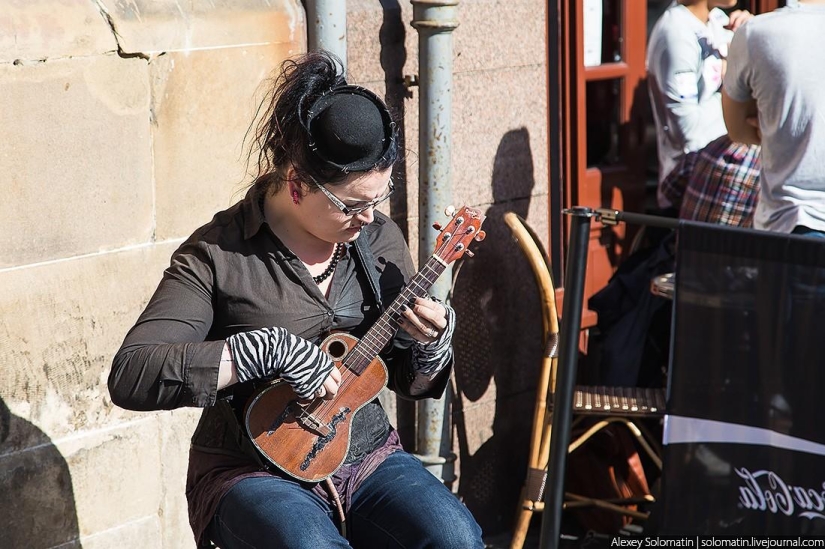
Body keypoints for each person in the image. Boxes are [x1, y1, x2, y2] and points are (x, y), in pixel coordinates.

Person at [108, 51, 484, 549]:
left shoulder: (375, 239)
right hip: (252, 470)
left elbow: (412, 382)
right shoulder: (218, 253)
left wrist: (431, 343)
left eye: (380, 197)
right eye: (353, 204)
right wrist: (255, 353)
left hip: (366, 456)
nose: (370, 218)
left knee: (456, 537)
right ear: (297, 185)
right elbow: (132, 373)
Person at [722, 0, 825, 236]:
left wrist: (779, 125)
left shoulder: (757, 32)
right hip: (795, 222)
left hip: (793, 222)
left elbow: (737, 129)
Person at [647, 0, 753, 210]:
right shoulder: (677, 33)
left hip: (727, 166)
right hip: (691, 180)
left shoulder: (718, 21)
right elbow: (687, 130)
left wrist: (751, 38)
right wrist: (733, 83)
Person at [659, 133, 761, 227]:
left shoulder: (717, 146)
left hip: (687, 242)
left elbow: (669, 189)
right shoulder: (768, 165)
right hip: (737, 244)